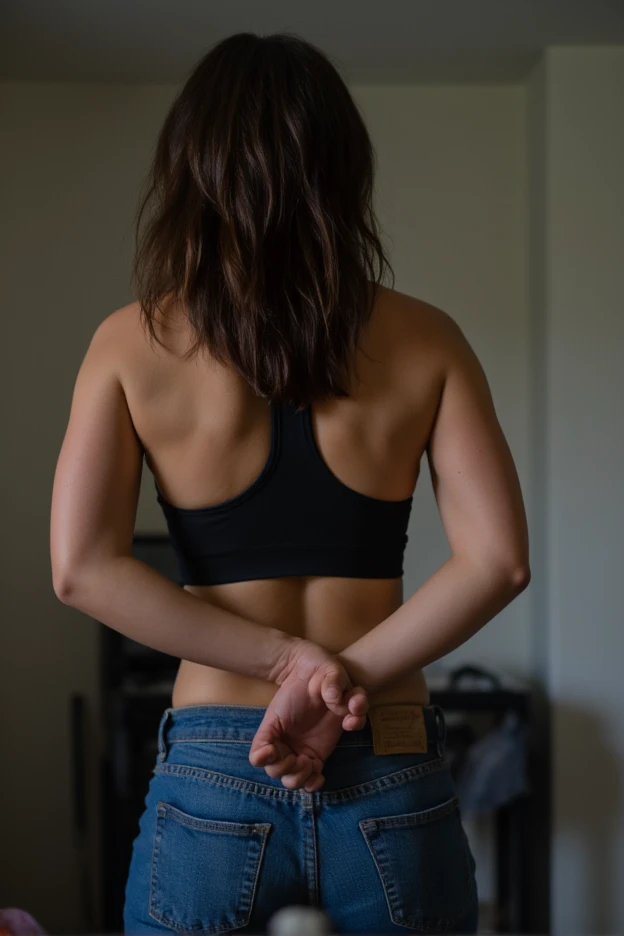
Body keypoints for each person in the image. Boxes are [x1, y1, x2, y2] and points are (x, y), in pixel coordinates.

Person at [50, 32, 530, 936]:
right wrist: (337, 676)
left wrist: (283, 665)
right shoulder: (428, 338)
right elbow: (498, 561)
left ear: (192, 167)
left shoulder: (128, 343)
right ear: (345, 169)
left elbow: (81, 567)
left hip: (212, 769)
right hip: (384, 745)